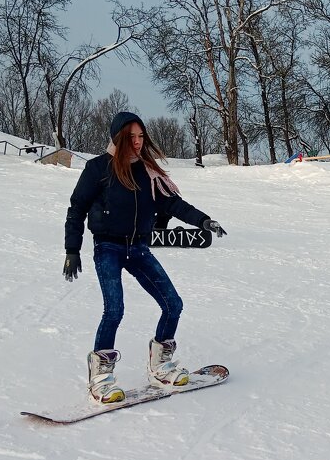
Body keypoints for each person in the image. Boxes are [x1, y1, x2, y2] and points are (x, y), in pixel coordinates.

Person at [63, 111, 227, 404]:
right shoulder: (98, 168)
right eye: (131, 137)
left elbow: (172, 203)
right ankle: (100, 379)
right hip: (108, 247)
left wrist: (203, 220)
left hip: (138, 247)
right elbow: (77, 208)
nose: (137, 142)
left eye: (141, 136)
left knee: (173, 304)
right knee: (114, 310)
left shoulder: (147, 171)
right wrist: (72, 250)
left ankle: (160, 365)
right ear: (118, 138)